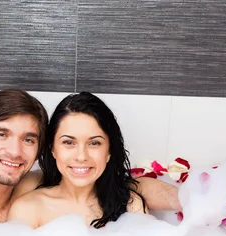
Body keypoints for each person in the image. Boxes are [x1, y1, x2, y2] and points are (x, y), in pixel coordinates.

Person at [0, 88, 181, 221]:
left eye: (28, 139)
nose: (14, 151)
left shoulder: (32, 182)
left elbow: (127, 186)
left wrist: (196, 200)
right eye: (2, 134)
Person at [8, 92, 145, 229]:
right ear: (53, 149)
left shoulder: (131, 207)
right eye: (68, 142)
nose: (81, 156)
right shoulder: (28, 210)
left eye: (94, 143)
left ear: (109, 151)